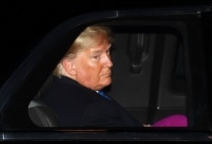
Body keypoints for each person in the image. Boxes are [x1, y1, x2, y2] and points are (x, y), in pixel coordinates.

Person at [38, 25, 187, 127]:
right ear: (70, 66)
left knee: (179, 120)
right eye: (96, 56)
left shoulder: (56, 87)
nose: (109, 62)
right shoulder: (94, 110)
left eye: (108, 51)